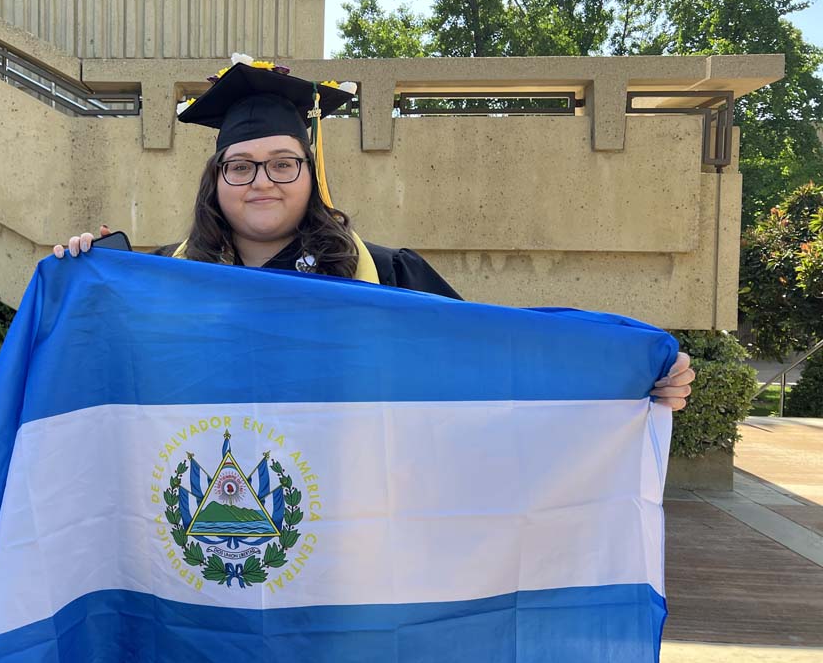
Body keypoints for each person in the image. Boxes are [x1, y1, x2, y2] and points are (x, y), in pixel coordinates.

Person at [54, 57, 695, 409]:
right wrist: (79, 275)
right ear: (216, 177)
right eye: (241, 165)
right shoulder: (164, 281)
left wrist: (629, 378)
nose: (262, 181)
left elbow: (490, 357)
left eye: (284, 163)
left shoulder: (384, 276)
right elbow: (92, 374)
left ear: (311, 175)